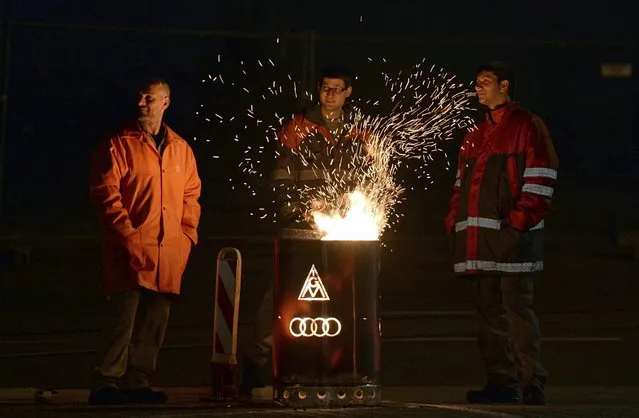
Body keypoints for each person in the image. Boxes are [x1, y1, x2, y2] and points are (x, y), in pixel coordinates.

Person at [239, 66, 361, 396]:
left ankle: (330, 367)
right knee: (283, 294)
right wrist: (298, 212)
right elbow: (280, 177)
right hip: (299, 229)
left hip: (342, 230)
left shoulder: (358, 132)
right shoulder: (297, 127)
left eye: (337, 88)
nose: (330, 94)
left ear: (348, 92)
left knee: (336, 296)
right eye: (325, 88)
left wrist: (355, 208)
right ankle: (256, 363)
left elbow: (367, 175)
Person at [445, 62, 558, 405]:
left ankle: (531, 382)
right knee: (489, 315)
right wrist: (453, 224)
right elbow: (460, 188)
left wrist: (516, 226)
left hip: (512, 242)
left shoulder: (527, 126)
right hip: (480, 244)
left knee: (516, 312)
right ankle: (501, 383)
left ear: (505, 85)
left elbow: (541, 178)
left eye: (485, 82)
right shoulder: (475, 135)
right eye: (476, 82)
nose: (477, 88)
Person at [88, 78, 202, 405]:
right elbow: (106, 195)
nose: (141, 103)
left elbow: (191, 196)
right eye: (139, 97)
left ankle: (138, 380)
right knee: (123, 318)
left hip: (168, 253)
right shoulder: (118, 144)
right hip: (129, 252)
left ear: (166, 102)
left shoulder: (181, 149)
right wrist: (128, 235)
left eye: (149, 98)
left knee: (154, 322)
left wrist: (186, 236)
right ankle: (107, 382)